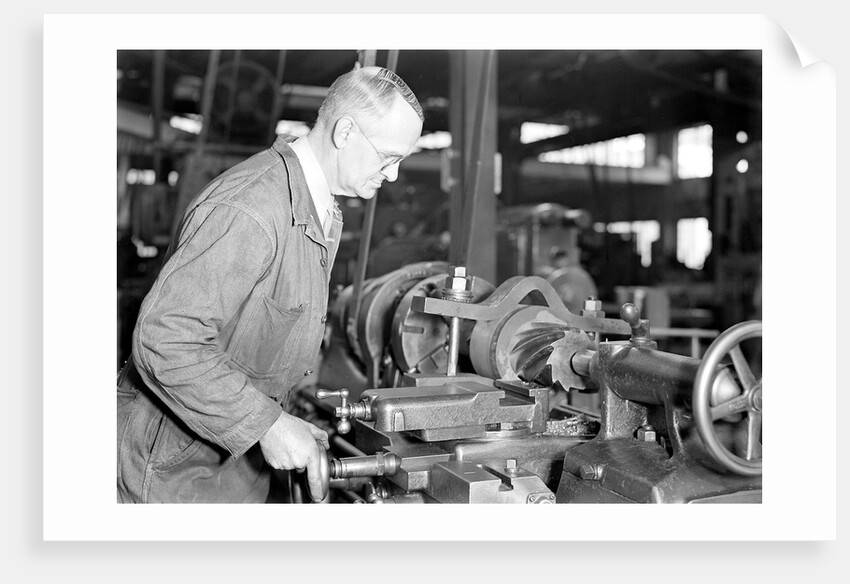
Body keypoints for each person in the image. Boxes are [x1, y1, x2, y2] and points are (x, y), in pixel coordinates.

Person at [117, 65, 425, 503]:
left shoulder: (320, 210)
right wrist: (268, 424)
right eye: (389, 157)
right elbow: (165, 338)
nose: (392, 175)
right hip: (170, 469)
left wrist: (282, 421)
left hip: (231, 463)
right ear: (346, 132)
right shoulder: (252, 208)